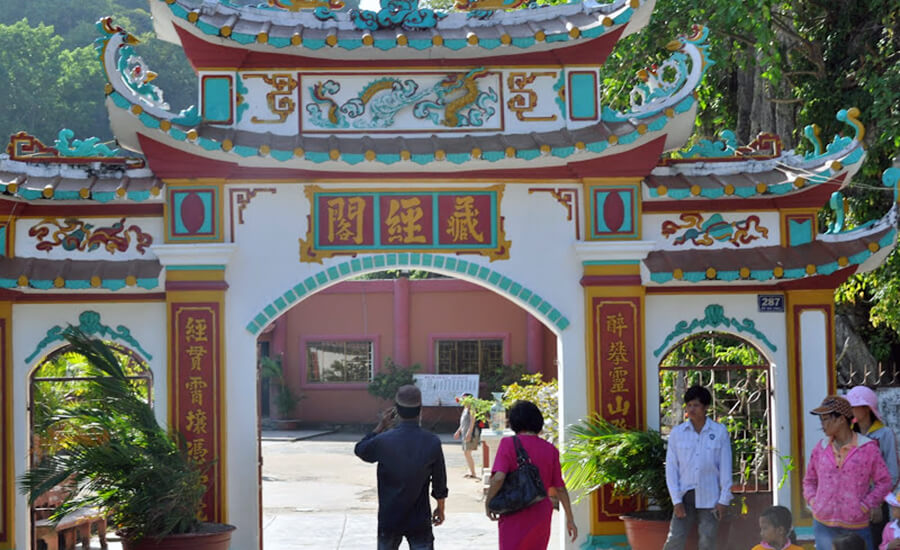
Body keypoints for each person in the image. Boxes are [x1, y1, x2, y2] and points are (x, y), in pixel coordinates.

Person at [354, 385, 448, 550]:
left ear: (396, 410)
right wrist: (440, 508)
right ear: (420, 410)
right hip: (419, 518)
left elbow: (361, 449)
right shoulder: (432, 442)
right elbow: (439, 481)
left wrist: (381, 426)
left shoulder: (383, 441)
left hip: (389, 517)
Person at [803, 395, 892, 550]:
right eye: (821, 420)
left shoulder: (868, 448)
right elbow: (809, 480)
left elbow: (884, 482)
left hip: (856, 525)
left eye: (826, 419)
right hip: (823, 525)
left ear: (841, 419)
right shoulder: (820, 448)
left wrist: (865, 505)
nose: (822, 424)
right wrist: (814, 502)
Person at [485, 400, 577, 549]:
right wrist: (570, 519)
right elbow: (560, 488)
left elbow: (498, 478)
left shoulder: (508, 444)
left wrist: (489, 502)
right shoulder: (550, 449)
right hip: (540, 513)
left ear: (514, 422)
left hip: (513, 511)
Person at [662, 385, 733, 550]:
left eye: (696, 405)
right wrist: (676, 500)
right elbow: (671, 469)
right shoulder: (677, 433)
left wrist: (724, 500)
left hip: (711, 497)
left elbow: (725, 467)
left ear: (705, 407)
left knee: (707, 541)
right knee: (675, 539)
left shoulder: (719, 431)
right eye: (689, 405)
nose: (692, 409)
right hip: (685, 496)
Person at [847, 386, 900, 548]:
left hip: (877, 504)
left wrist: (876, 502)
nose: (850, 410)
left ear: (866, 409)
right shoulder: (848, 435)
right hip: (852, 503)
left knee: (875, 541)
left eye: (854, 406)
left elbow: (892, 472)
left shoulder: (884, 434)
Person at [454, 392, 481, 479]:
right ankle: (471, 472)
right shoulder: (465, 408)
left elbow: (472, 422)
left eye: (465, 399)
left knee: (467, 452)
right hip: (465, 432)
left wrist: (469, 433)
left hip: (471, 433)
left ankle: (473, 473)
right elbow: (462, 422)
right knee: (466, 453)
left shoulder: (472, 408)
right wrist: (458, 431)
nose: (463, 400)